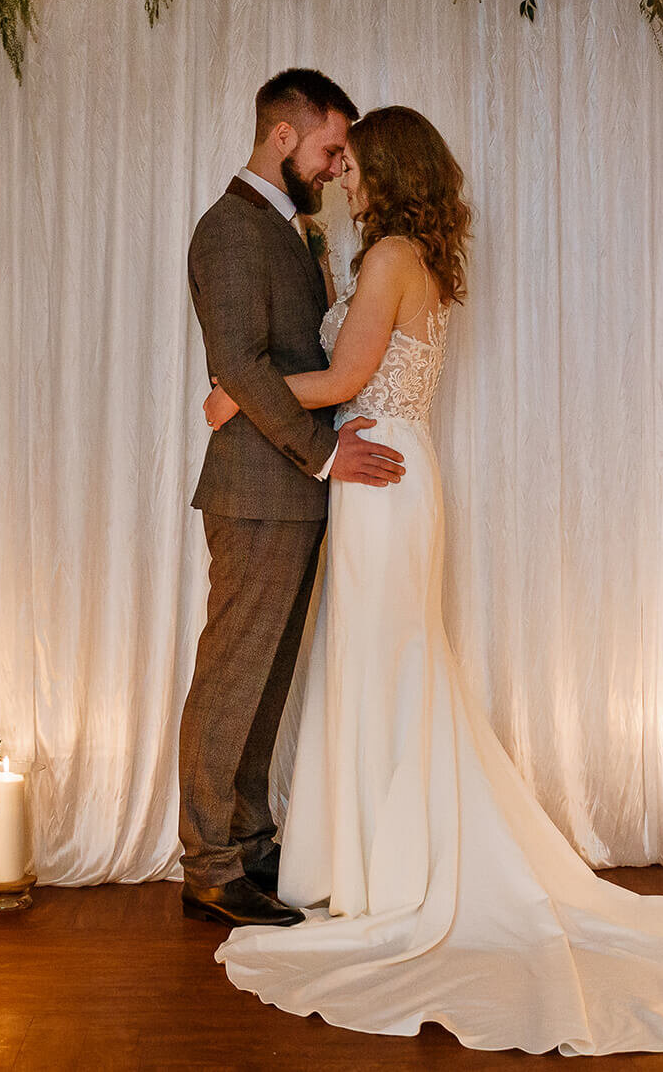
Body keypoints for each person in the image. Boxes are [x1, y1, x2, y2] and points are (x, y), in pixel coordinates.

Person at [204, 106, 663, 1054]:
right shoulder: (408, 254)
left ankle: (394, 876)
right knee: (387, 665)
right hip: (391, 467)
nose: (342, 180)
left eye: (353, 166)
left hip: (382, 475)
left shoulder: (392, 254)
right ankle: (376, 864)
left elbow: (351, 368)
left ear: (388, 170)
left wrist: (240, 392)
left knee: (387, 666)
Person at [178, 69, 407, 930]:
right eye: (327, 148)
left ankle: (247, 839)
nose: (332, 165)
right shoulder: (230, 229)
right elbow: (237, 362)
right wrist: (324, 454)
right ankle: (207, 864)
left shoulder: (293, 231)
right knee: (232, 677)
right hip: (257, 491)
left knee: (267, 683)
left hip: (293, 493)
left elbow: (272, 364)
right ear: (284, 136)